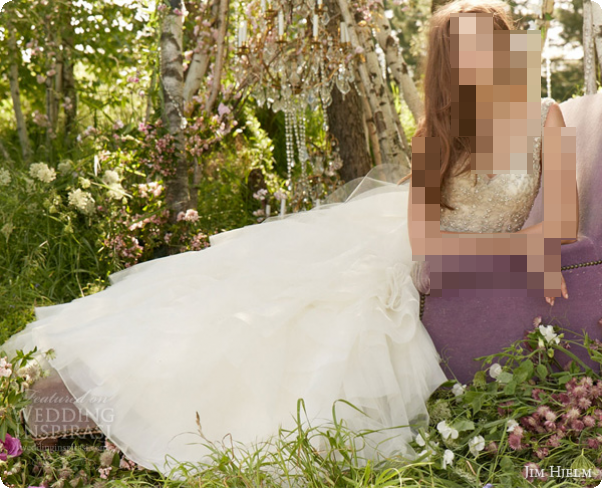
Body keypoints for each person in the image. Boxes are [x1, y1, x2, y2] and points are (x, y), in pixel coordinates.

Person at [0, 0, 570, 478]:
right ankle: (57, 402)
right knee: (254, 305)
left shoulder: (546, 117)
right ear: (451, 66)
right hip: (403, 245)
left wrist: (546, 242)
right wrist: (529, 245)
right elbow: (429, 242)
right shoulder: (438, 135)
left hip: (436, 255)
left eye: (492, 43)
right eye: (467, 51)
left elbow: (565, 224)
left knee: (305, 323)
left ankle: (68, 410)